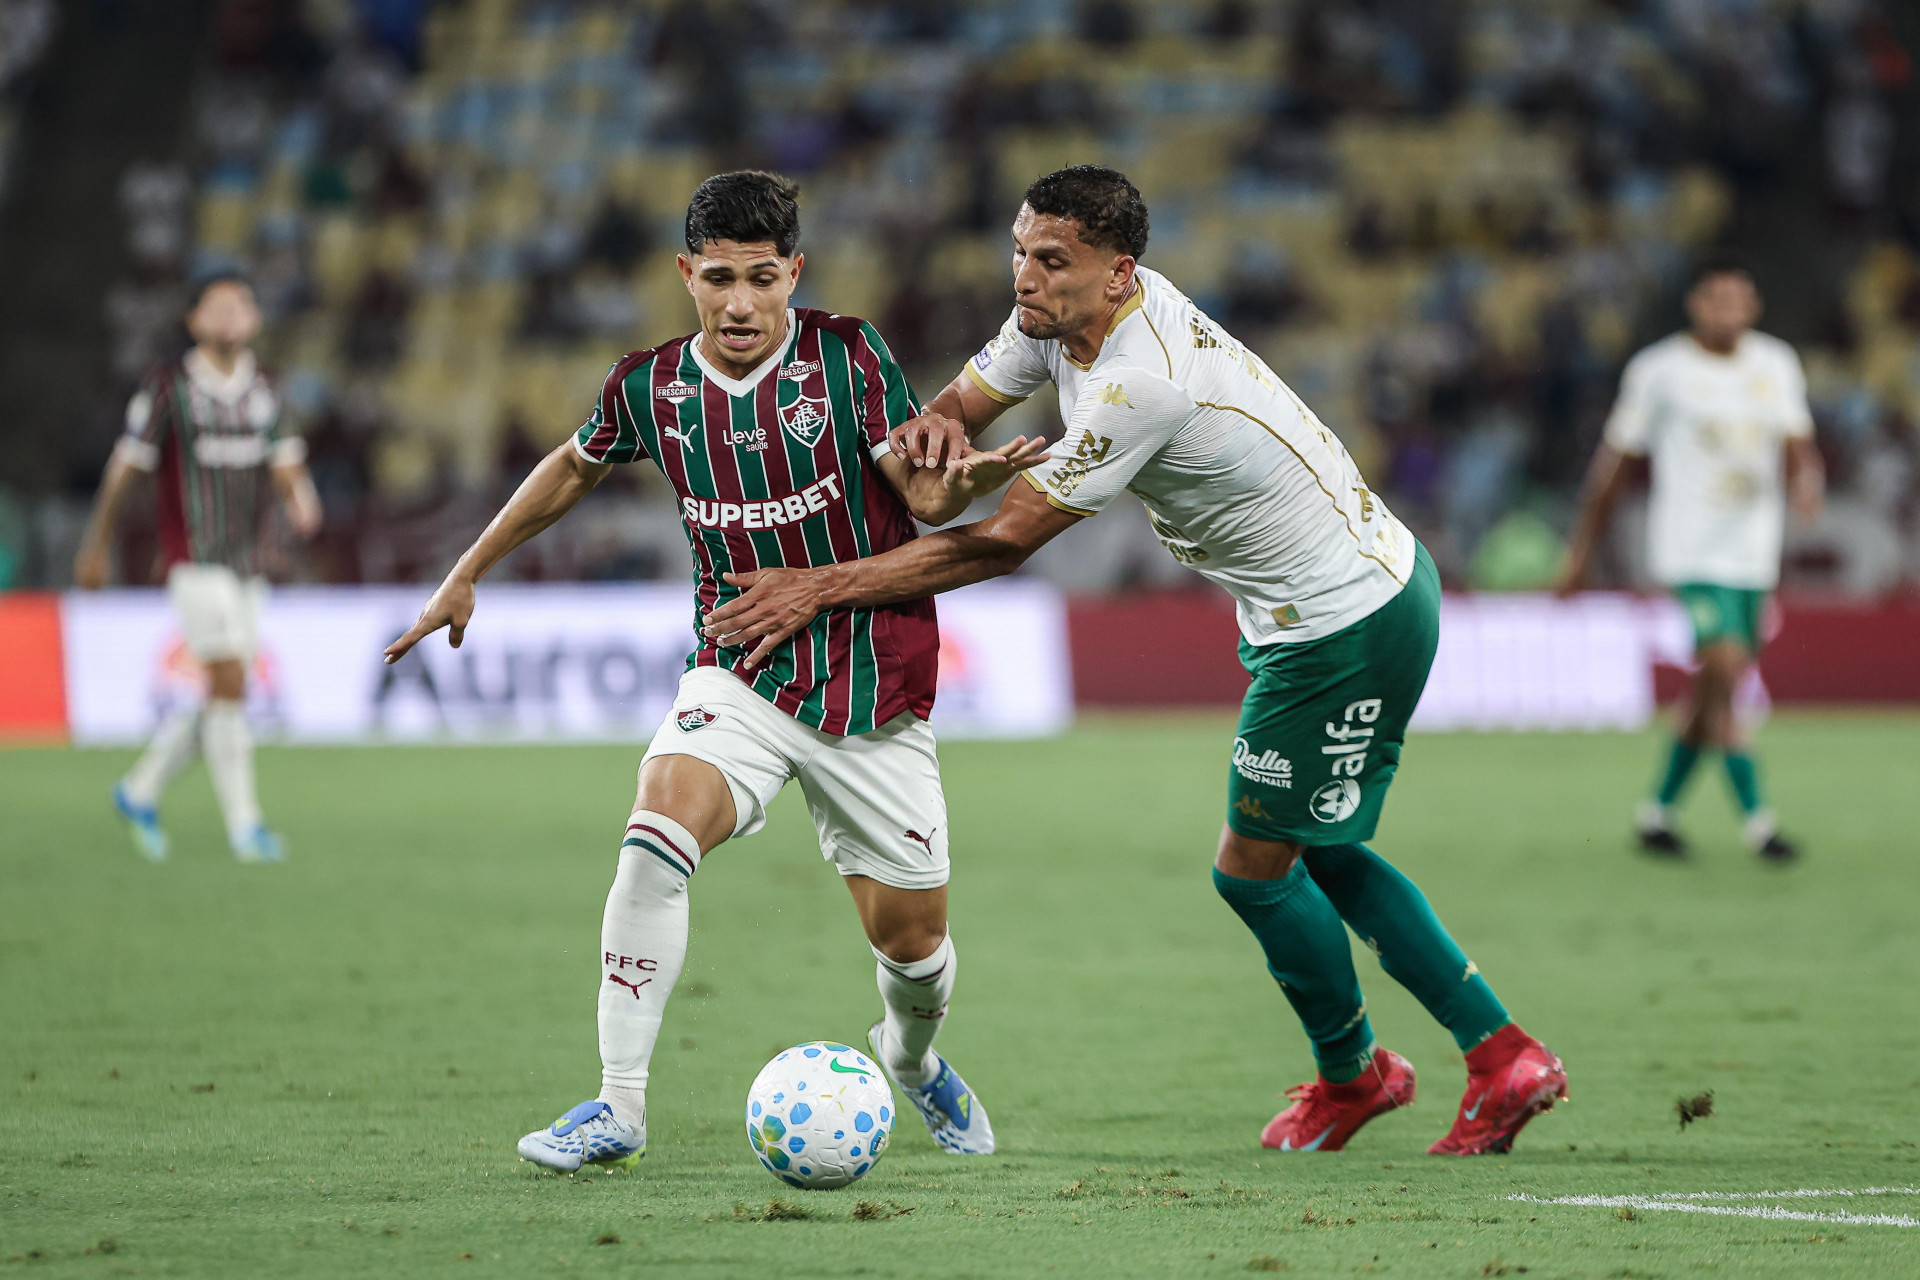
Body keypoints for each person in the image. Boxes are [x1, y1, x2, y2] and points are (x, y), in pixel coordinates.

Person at [702, 166, 1568, 1156]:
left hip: (1345, 622)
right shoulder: (1054, 318)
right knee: (1313, 849)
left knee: (1252, 866)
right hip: (1322, 609)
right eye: (1021, 252)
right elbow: (957, 409)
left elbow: (1004, 541)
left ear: (1120, 273)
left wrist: (817, 585)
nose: (1026, 277)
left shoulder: (1137, 381)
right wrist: (938, 427)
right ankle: (1457, 1059)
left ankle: (1393, 1069)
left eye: (1052, 260)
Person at [384, 171, 1046, 1172]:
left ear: (796, 274)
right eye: (721, 278)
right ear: (686, 272)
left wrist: (960, 479)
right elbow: (574, 463)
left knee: (912, 951)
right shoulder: (650, 386)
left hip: (875, 688)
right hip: (740, 668)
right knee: (654, 831)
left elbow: (917, 489)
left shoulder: (849, 354)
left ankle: (910, 1060)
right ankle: (618, 1104)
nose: (741, 302)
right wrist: (468, 568)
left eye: (763, 278)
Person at [1559, 254, 1823, 863]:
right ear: (1695, 306)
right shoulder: (1659, 371)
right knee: (1725, 668)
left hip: (1754, 553)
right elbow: (1616, 464)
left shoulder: (1776, 363)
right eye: (1716, 300)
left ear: (1753, 308)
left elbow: (1799, 443)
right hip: (1690, 551)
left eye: (1739, 301)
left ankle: (1657, 815)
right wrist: (1582, 551)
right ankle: (1761, 825)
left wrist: (1807, 480)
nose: (1727, 312)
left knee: (1710, 689)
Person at [74, 273, 322, 864]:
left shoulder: (264, 387)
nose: (231, 315)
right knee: (231, 677)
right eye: (218, 306)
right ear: (194, 321)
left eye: (242, 304)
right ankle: (246, 827)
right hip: (192, 560)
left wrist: (301, 497)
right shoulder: (169, 387)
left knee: (223, 690)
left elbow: (284, 457)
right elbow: (127, 467)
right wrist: (96, 542)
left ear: (255, 319)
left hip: (248, 562)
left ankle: (139, 791)